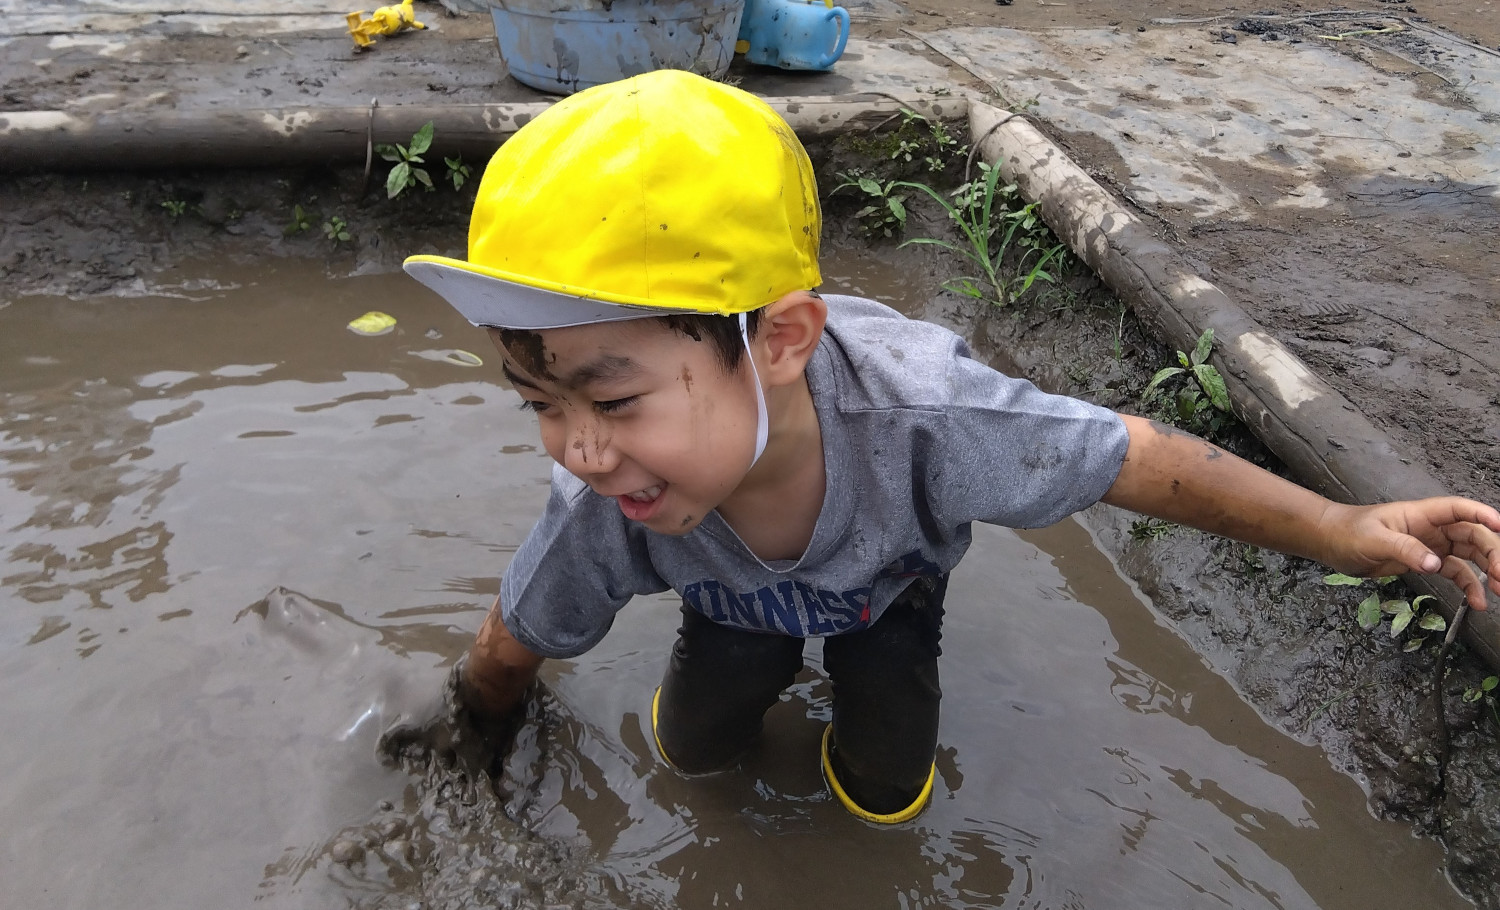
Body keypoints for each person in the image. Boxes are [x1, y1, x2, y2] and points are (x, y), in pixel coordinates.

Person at [402, 69, 1500, 824]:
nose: (581, 450)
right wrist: (473, 735)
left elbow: (1131, 456)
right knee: (693, 751)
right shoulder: (605, 497)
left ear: (779, 338)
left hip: (892, 597)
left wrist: (1344, 525)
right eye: (538, 402)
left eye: (612, 398)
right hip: (728, 604)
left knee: (886, 783)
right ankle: (729, 720)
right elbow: (519, 632)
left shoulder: (930, 418)